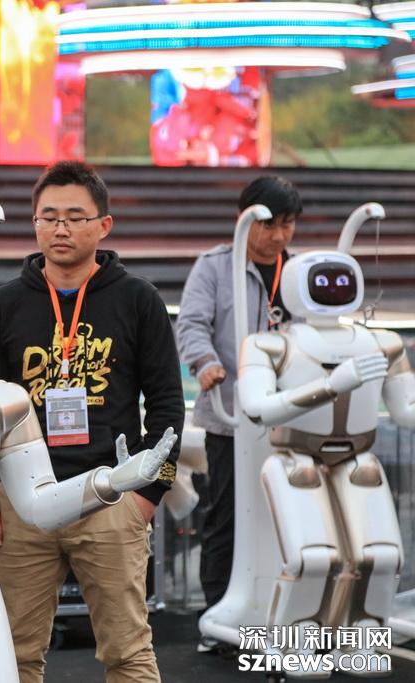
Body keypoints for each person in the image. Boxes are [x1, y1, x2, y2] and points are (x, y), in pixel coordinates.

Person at [0, 161, 184, 683]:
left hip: (110, 495)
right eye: (48, 217)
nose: (60, 228)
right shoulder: (3, 305)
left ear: (103, 225)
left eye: (74, 217)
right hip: (22, 503)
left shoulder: (138, 300)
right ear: (34, 223)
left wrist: (148, 494)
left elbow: (166, 405)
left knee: (128, 653)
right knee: (12, 654)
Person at [175, 176, 301, 651]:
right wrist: (206, 363)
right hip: (231, 420)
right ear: (244, 220)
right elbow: (191, 324)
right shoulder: (214, 266)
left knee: (289, 518)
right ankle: (218, 619)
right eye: (269, 225)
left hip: (289, 423)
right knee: (226, 516)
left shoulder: (298, 272)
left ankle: (283, 613)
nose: (278, 236)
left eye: (287, 225)